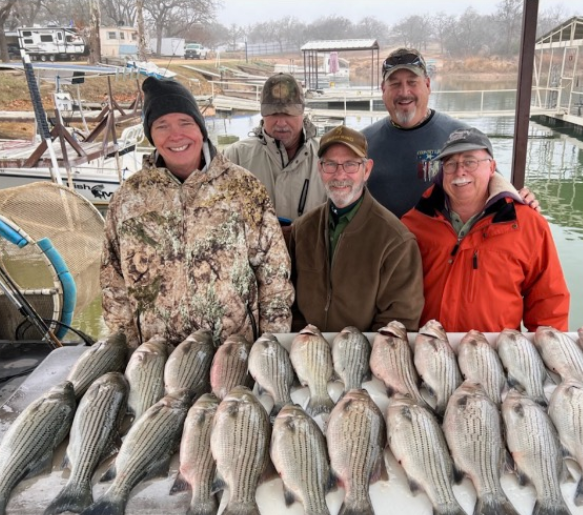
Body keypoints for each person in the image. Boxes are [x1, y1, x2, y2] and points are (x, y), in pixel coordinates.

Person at [101, 76, 294, 348]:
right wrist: (127, 352)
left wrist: (269, 346)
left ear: (201, 129)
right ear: (150, 134)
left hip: (233, 356)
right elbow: (113, 284)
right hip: (157, 360)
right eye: (162, 126)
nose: (175, 135)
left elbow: (274, 276)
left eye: (185, 123)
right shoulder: (127, 199)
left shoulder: (244, 189)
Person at [401, 127, 569, 333]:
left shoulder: (529, 224)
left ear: (492, 167)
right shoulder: (414, 223)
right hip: (430, 349)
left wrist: (551, 353)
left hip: (498, 355)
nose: (460, 171)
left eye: (470, 161)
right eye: (450, 163)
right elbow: (397, 293)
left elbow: (549, 301)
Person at [363, 47, 537, 218]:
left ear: (428, 85)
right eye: (395, 84)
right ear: (383, 90)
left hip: (444, 245)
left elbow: (495, 187)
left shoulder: (462, 138)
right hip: (382, 245)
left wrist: (520, 199)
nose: (404, 92)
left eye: (412, 82)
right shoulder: (361, 143)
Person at [288, 125, 424, 332]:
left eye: (351, 164)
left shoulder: (396, 240)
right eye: (330, 165)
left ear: (367, 169)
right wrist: (305, 341)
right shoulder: (301, 229)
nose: (340, 175)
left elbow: (399, 319)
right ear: (320, 169)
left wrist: (356, 353)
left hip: (362, 356)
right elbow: (286, 296)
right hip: (307, 353)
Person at [223, 73, 326, 222]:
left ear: (302, 112)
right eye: (274, 114)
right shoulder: (234, 157)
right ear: (263, 114)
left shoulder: (326, 157)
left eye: (288, 114)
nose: (281, 123)